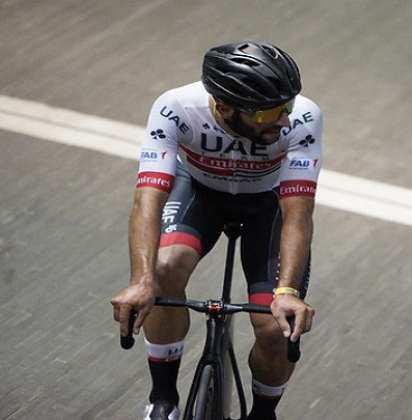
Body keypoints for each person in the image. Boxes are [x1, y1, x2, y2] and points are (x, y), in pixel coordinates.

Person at [110, 40, 321, 420]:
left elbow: (297, 212)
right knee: (163, 271)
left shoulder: (305, 117)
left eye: (286, 107)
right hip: (199, 194)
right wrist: (141, 281)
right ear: (222, 106)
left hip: (267, 205)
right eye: (270, 112)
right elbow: (148, 197)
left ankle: (263, 413)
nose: (284, 120)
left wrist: (287, 292)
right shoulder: (175, 108)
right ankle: (162, 399)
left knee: (276, 328)